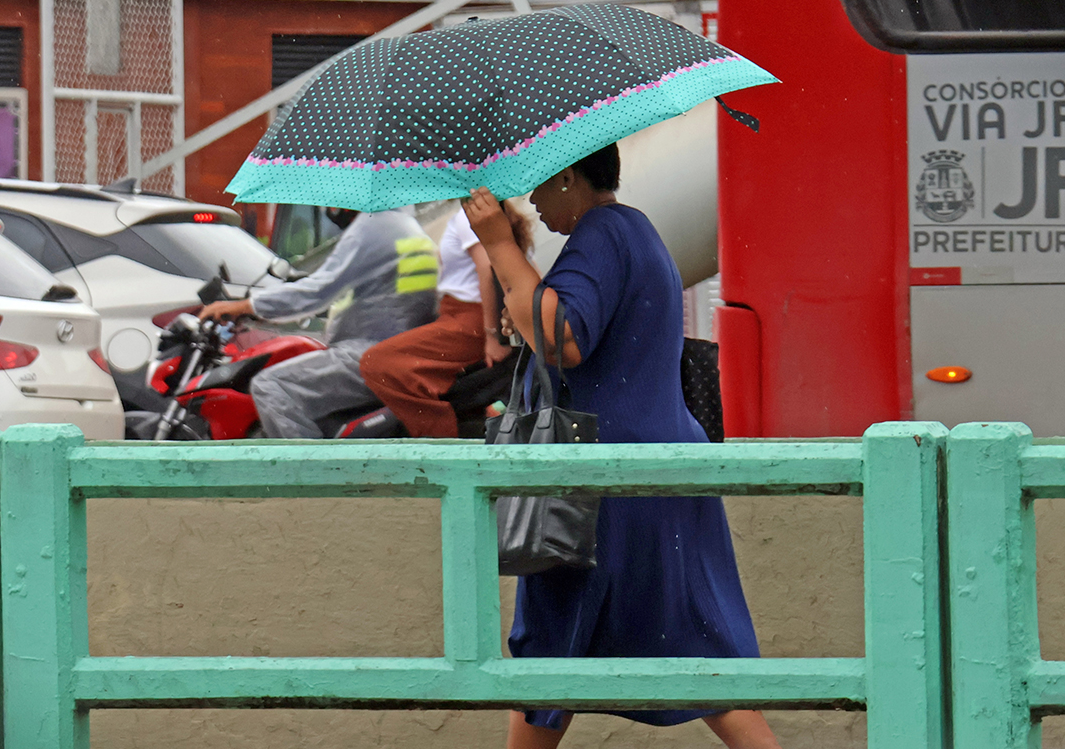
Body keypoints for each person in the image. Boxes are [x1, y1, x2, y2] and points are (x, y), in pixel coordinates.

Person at [463, 144, 781, 749]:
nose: (531, 199)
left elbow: (565, 339)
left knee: (550, 642)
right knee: (698, 640)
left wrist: (500, 246)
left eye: (539, 185)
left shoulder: (603, 233)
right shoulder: (630, 229)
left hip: (606, 481)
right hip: (651, 471)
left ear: (567, 176)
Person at [198, 205, 438, 438]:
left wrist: (244, 306)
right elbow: (374, 298)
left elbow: (317, 292)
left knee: (271, 388)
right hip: (395, 350)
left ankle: (309, 474)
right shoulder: (405, 225)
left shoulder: (374, 225)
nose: (331, 207)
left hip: (369, 355)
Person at [358, 201, 531, 438]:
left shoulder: (470, 214)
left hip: (471, 318)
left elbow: (488, 269)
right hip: (463, 316)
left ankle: (441, 441)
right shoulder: (491, 213)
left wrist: (493, 335)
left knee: (377, 363)